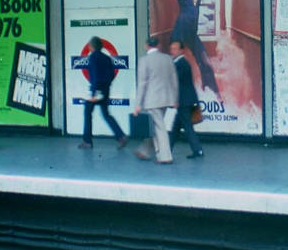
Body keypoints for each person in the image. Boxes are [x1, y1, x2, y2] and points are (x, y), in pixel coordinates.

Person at [152, 0, 220, 96]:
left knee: (205, 62)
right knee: (175, 64)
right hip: (180, 30)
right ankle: (169, 95)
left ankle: (212, 92)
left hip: (192, 32)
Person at [132, 36, 178, 164]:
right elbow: (174, 80)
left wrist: (138, 104)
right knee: (155, 126)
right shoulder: (167, 58)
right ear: (158, 46)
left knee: (159, 128)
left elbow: (142, 83)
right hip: (166, 98)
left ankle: (165, 156)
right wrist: (174, 98)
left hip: (151, 100)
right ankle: (144, 150)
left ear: (146, 46)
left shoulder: (144, 61)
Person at [79, 36, 128, 150]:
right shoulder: (107, 58)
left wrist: (94, 93)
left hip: (96, 91)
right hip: (105, 90)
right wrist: (105, 86)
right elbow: (111, 74)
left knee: (87, 113)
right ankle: (121, 136)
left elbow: (94, 75)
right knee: (106, 114)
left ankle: (87, 141)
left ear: (91, 46)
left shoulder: (92, 58)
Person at [169, 40, 203, 159]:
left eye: (175, 49)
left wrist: (175, 99)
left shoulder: (181, 64)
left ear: (181, 50)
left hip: (184, 100)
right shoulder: (180, 63)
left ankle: (197, 150)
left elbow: (176, 83)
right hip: (186, 100)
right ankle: (168, 149)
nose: (172, 51)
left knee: (186, 126)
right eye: (171, 48)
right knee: (176, 127)